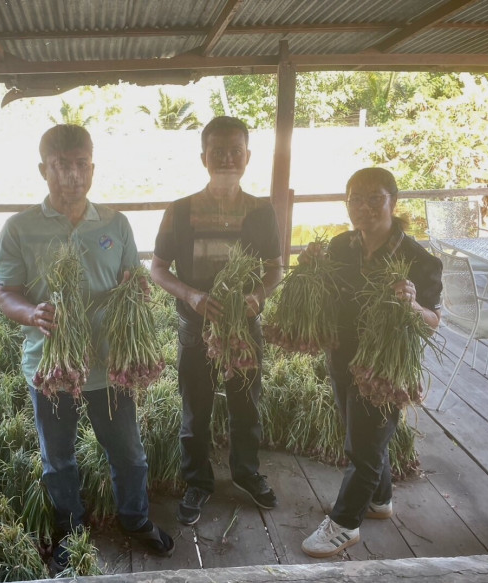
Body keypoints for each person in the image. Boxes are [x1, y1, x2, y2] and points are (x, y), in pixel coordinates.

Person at [0, 124, 174, 571]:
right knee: (58, 460)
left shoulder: (115, 224)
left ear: (92, 168)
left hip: (110, 365)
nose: (72, 176)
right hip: (52, 366)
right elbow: (6, 293)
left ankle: (135, 519)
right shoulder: (19, 228)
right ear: (43, 169)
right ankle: (70, 531)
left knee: (129, 453)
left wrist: (136, 295)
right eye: (61, 166)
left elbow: (132, 279)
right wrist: (32, 313)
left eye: (81, 165)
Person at [300, 167, 442, 558]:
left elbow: (432, 321)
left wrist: (411, 304)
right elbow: (326, 291)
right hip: (342, 353)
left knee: (363, 448)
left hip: (384, 365)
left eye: (374, 198)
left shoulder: (419, 260)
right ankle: (379, 500)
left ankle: (345, 524)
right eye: (355, 199)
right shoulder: (340, 246)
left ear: (394, 202)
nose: (364, 207)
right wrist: (311, 266)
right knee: (360, 433)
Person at [150, 116, 283, 526]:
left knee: (246, 407)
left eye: (235, 151)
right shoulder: (180, 211)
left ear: (247, 157)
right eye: (218, 151)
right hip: (196, 330)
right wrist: (191, 295)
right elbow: (157, 269)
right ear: (203, 157)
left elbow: (275, 268)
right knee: (196, 410)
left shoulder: (261, 211)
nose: (227, 159)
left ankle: (246, 474)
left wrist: (257, 297)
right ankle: (198, 482)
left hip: (244, 329)